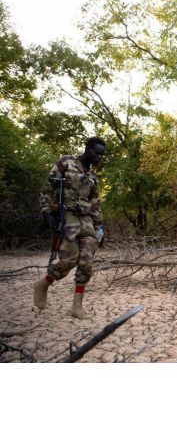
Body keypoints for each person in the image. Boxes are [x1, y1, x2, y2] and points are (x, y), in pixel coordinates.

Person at [33, 137, 106, 319]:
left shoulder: (92, 177)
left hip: (86, 219)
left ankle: (76, 306)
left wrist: (100, 228)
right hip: (67, 215)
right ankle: (44, 283)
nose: (98, 157)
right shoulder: (66, 162)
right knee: (70, 259)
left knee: (87, 263)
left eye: (101, 155)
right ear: (87, 149)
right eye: (96, 153)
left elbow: (95, 205)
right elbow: (47, 188)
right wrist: (46, 211)